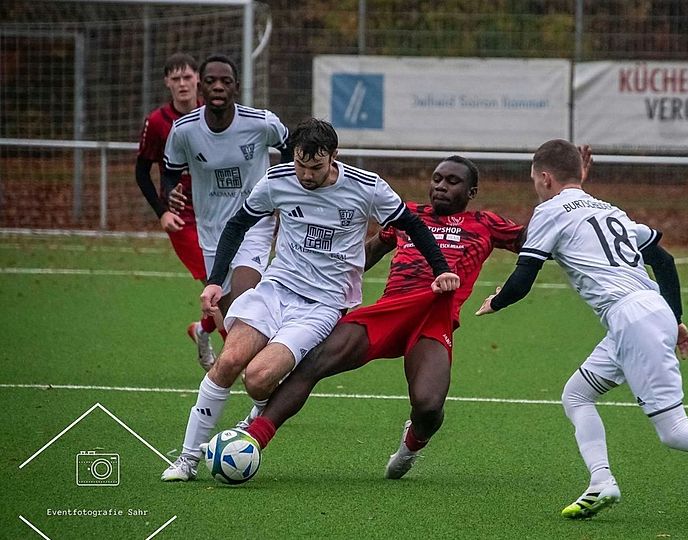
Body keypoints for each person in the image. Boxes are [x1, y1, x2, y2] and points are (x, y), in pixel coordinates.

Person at [476, 139, 688, 528]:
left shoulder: (549, 211)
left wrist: (497, 301)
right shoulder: (610, 209)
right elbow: (663, 259)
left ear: (544, 178)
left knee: (674, 430)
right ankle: (601, 482)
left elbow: (524, 276)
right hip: (644, 312)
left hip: (631, 318)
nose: (535, 188)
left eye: (535, 180)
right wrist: (674, 317)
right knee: (576, 395)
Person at [161, 118, 459, 481]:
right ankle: (187, 459)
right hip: (276, 288)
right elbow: (237, 225)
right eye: (300, 164)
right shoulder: (278, 180)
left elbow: (412, 224)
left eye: (315, 167)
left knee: (258, 378)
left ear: (334, 156)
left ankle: (253, 421)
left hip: (323, 305)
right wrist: (213, 282)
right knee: (229, 361)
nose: (305, 175)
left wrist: (441, 268)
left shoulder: (366, 187)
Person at [240, 155, 532, 479]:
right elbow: (368, 253)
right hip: (388, 313)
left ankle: (411, 446)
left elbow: (534, 242)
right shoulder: (410, 215)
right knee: (314, 361)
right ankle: (252, 437)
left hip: (433, 321)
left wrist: (556, 204)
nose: (441, 186)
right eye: (437, 179)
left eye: (452, 181)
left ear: (471, 191)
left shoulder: (485, 223)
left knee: (429, 405)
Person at [162, 54, 291, 360]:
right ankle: (205, 332)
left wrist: (282, 192)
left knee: (244, 305)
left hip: (253, 224)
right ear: (201, 88)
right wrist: (170, 193)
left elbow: (289, 147)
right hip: (211, 230)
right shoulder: (184, 130)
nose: (218, 86)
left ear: (236, 87)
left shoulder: (261, 123)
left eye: (226, 81)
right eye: (211, 81)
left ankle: (259, 372)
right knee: (229, 313)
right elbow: (169, 171)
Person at [134, 52, 216, 369]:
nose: (182, 83)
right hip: (183, 218)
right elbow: (142, 172)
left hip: (217, 211)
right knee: (218, 288)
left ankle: (202, 330)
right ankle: (245, 362)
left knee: (231, 285)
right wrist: (162, 212)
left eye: (187, 77)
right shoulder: (157, 122)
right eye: (176, 78)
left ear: (198, 80)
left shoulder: (214, 114)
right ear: (167, 82)